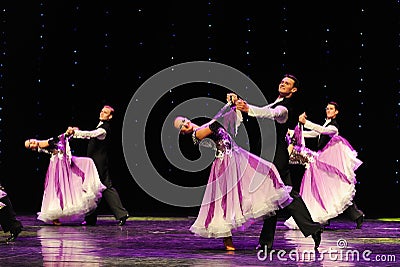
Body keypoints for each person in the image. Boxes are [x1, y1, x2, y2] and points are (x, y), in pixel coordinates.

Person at [173, 103, 293, 251]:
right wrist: (230, 106)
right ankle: (227, 239)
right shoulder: (196, 134)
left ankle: (267, 198)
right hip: (224, 163)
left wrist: (231, 106)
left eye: (184, 120)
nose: (185, 124)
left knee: (267, 169)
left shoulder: (202, 126)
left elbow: (217, 118)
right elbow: (216, 123)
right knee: (224, 201)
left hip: (236, 156)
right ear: (182, 132)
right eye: (182, 126)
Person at [230, 73, 324, 251]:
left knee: (279, 196)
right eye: (282, 81)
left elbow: (268, 113)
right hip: (268, 153)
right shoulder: (275, 102)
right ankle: (275, 240)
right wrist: (240, 105)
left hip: (276, 156)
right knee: (276, 197)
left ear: (293, 90)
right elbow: (260, 111)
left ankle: (272, 240)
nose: (283, 84)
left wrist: (246, 107)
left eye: (287, 83)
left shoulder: (284, 108)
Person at [284, 101, 364, 230]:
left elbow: (322, 130)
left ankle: (356, 215)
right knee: (325, 189)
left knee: (335, 189)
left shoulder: (334, 127)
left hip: (329, 160)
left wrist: (306, 123)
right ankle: (326, 218)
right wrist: (293, 132)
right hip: (321, 159)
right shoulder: (326, 123)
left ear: (336, 112)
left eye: (331, 109)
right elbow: (314, 133)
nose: (328, 110)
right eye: (327, 108)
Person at [66, 105, 129, 226]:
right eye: (101, 111)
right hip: (94, 162)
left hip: (99, 163)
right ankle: (91, 218)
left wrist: (76, 132)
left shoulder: (104, 129)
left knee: (103, 187)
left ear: (109, 117)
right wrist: (75, 133)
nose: (102, 113)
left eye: (105, 112)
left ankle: (121, 214)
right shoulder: (100, 126)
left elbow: (91, 134)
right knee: (93, 188)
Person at [24, 133, 106, 225]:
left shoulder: (41, 144)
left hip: (59, 162)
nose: (32, 143)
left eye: (30, 141)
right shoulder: (41, 144)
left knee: (60, 188)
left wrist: (68, 135)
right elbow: (55, 140)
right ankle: (56, 214)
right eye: (30, 145)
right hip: (60, 164)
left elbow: (57, 141)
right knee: (61, 187)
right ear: (32, 148)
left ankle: (56, 215)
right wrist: (66, 134)